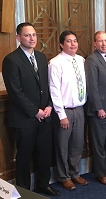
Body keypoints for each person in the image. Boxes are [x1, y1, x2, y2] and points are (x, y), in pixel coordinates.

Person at [2, 22, 60, 196]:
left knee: (44, 154)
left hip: (45, 116)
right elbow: (15, 91)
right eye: (27, 35)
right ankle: (23, 191)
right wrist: (35, 111)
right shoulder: (11, 60)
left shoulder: (42, 57)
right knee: (24, 157)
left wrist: (49, 105)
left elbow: (48, 85)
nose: (32, 38)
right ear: (19, 38)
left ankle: (43, 184)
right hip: (24, 118)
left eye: (34, 35)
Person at [48, 30, 89, 191]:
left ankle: (75, 173)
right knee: (62, 146)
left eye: (75, 41)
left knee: (77, 144)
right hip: (64, 111)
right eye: (69, 41)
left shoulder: (81, 60)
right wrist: (61, 115)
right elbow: (54, 90)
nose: (73, 44)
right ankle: (64, 176)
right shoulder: (55, 63)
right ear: (61, 44)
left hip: (79, 109)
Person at [84, 31, 106, 186]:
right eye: (100, 41)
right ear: (94, 43)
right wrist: (99, 108)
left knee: (104, 142)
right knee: (97, 143)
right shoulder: (91, 60)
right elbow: (92, 87)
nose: (104, 44)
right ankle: (100, 174)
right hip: (99, 110)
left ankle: (102, 167)